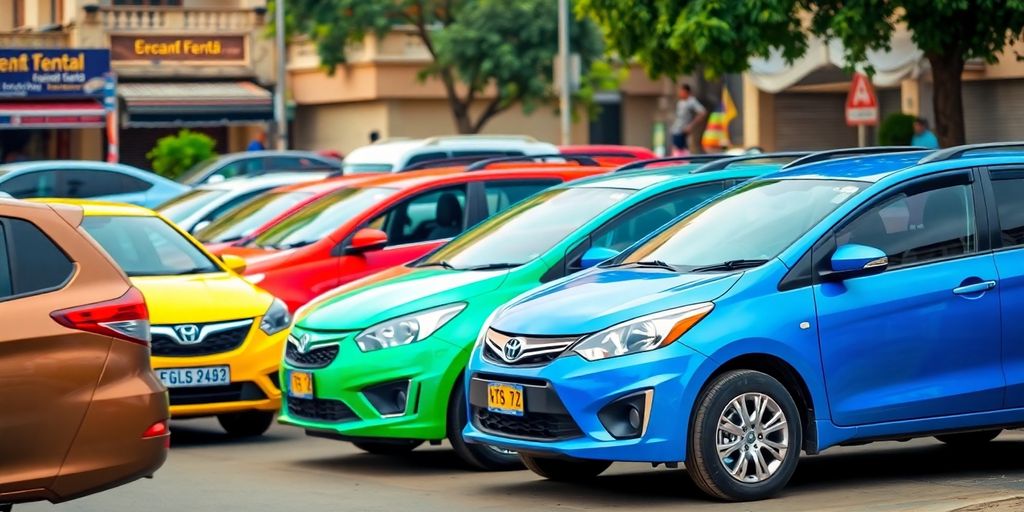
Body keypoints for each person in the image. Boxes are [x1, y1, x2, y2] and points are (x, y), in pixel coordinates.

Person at [670, 84, 707, 156]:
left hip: (682, 130)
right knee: (677, 150)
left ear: (686, 91)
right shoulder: (680, 102)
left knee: (682, 151)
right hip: (676, 129)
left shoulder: (691, 101)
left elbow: (702, 112)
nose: (680, 93)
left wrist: (691, 125)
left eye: (681, 91)